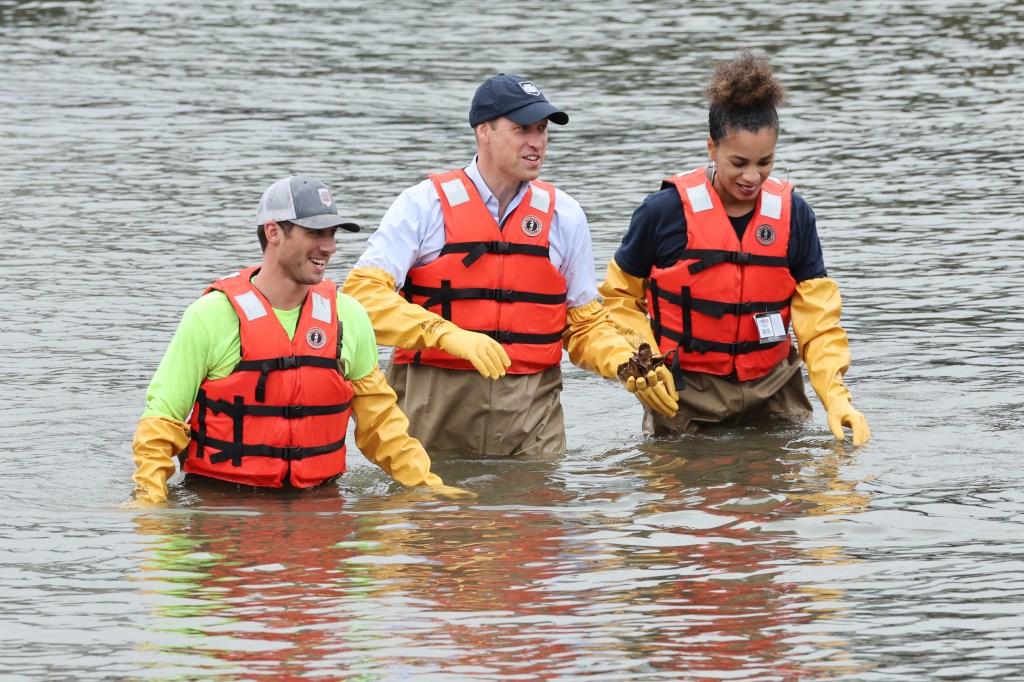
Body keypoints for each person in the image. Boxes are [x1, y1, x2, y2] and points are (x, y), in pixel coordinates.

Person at [342, 74, 678, 458]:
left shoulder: (565, 216)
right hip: (433, 405)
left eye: (542, 129)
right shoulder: (422, 205)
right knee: (432, 515)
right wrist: (445, 333)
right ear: (483, 130)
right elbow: (360, 297)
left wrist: (623, 361)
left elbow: (584, 322)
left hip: (532, 415)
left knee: (536, 513)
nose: (537, 142)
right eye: (522, 129)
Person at [599, 50, 871, 445]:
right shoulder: (662, 212)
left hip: (775, 388)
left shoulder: (795, 215)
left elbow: (819, 322)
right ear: (712, 147)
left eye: (766, 162)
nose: (752, 176)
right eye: (738, 161)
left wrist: (836, 398)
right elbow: (619, 299)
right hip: (686, 392)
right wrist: (645, 360)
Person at [130, 175, 456, 504]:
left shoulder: (350, 317)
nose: (328, 246)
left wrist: (430, 488)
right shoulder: (210, 316)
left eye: (332, 234)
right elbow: (162, 420)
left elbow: (382, 426)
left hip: (320, 503)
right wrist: (150, 505)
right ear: (273, 232)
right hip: (223, 504)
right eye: (315, 232)